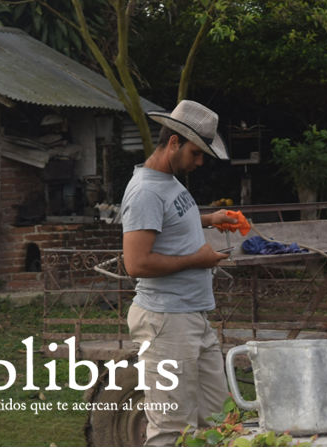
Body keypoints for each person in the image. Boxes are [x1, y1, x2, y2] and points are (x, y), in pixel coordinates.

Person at [120, 99, 251, 446]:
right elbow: (136, 264)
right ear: (174, 142)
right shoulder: (146, 190)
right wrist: (197, 259)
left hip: (192, 316)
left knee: (220, 422)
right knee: (171, 431)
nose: (199, 161)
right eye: (196, 152)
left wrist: (209, 219)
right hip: (165, 321)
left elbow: (169, 222)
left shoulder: (168, 182)